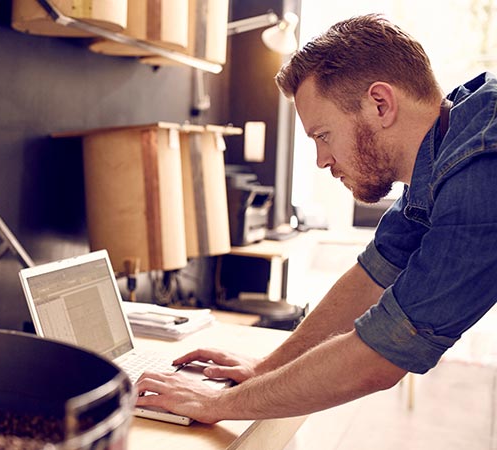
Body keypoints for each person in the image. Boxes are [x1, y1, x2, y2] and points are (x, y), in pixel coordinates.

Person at [135, 13, 497, 423]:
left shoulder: (481, 167)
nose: (323, 160)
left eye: (323, 135)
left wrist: (215, 404)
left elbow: (385, 354)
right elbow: (373, 275)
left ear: (381, 103)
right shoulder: (450, 137)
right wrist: (263, 368)